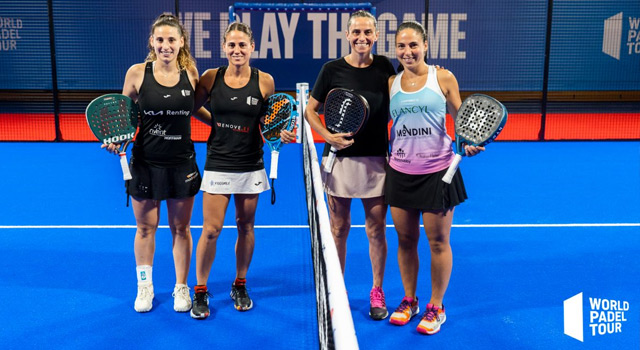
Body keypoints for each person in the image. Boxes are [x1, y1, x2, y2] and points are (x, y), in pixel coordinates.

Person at [386, 21, 483, 334]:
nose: (408, 51)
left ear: (425, 46)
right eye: (402, 46)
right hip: (400, 172)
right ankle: (409, 300)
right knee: (405, 240)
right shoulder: (391, 82)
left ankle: (436, 306)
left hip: (437, 173)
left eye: (413, 45)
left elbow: (463, 118)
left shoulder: (443, 77)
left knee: (438, 241)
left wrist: (467, 141)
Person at [103, 13, 203, 313]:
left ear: (181, 42)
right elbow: (123, 117)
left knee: (181, 228)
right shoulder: (136, 73)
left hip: (182, 164)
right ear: (152, 42)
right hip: (145, 163)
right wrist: (116, 139)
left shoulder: (191, 74)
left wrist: (222, 127)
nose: (166, 45)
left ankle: (181, 288)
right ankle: (144, 287)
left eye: (171, 39)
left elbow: (197, 111)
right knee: (145, 228)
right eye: (160, 39)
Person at [303, 10, 396, 321]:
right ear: (347, 35)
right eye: (356, 32)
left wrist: (430, 72)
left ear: (376, 35)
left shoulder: (385, 67)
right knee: (339, 228)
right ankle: (337, 288)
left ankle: (377, 290)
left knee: (376, 229)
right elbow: (310, 111)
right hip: (339, 161)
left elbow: (406, 88)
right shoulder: (332, 70)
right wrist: (328, 135)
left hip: (376, 161)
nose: (362, 38)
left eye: (368, 32)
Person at [189, 22, 276, 319]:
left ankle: (240, 283)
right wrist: (214, 122)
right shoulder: (211, 78)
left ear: (252, 47)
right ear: (224, 47)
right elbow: (192, 106)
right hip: (219, 163)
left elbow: (268, 122)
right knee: (211, 230)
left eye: (242, 45)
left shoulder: (265, 81)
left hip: (251, 164)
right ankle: (200, 290)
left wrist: (280, 133)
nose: (237, 50)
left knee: (245, 226)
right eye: (231, 45)